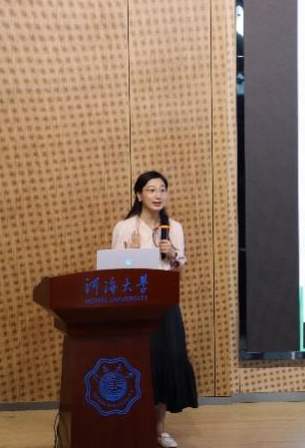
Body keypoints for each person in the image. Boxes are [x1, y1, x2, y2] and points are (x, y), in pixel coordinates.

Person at [111, 171, 198, 448]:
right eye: (151, 189)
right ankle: (133, 427)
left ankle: (159, 430)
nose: (158, 195)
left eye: (162, 189)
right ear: (139, 195)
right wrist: (134, 254)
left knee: (167, 362)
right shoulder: (125, 228)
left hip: (165, 304)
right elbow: (114, 273)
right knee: (136, 364)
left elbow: (179, 271)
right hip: (134, 305)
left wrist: (171, 253)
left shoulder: (174, 228)